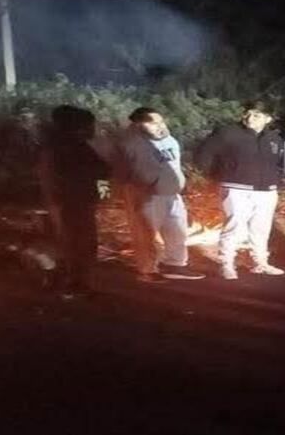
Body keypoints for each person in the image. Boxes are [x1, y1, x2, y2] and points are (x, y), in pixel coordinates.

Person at [196, 101, 285, 280]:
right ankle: (226, 264)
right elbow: (203, 156)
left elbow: (278, 162)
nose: (250, 118)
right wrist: (220, 177)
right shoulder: (227, 133)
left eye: (257, 115)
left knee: (261, 228)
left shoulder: (274, 138)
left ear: (268, 119)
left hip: (267, 190)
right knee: (234, 226)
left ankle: (260, 262)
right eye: (248, 113)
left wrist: (276, 180)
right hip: (236, 188)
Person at [116, 107, 205, 283]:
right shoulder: (130, 144)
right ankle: (147, 269)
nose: (159, 126)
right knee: (145, 234)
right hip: (146, 195)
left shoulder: (169, 140)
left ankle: (175, 265)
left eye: (161, 121)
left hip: (172, 193)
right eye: (153, 122)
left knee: (177, 231)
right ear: (138, 124)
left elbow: (174, 165)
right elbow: (121, 172)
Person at [36, 105, 109, 298]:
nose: (94, 129)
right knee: (77, 244)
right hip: (71, 205)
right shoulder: (66, 149)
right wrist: (103, 195)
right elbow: (100, 172)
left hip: (74, 203)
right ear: (77, 126)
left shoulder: (72, 147)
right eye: (90, 125)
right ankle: (72, 285)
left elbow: (101, 172)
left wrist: (102, 194)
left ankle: (68, 282)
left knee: (76, 244)